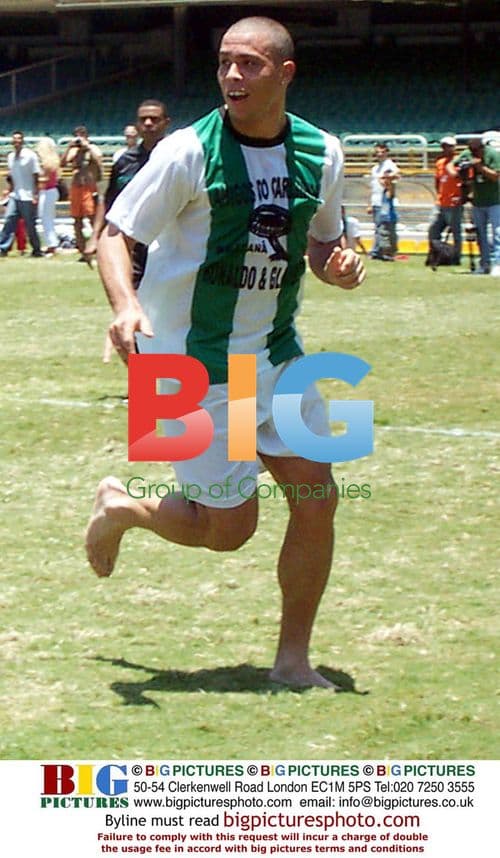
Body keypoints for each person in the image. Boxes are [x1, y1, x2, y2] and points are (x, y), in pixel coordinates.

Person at [85, 16, 365, 689]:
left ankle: (292, 662)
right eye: (224, 64)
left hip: (279, 357)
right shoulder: (187, 151)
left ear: (284, 74)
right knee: (229, 528)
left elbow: (322, 242)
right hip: (187, 365)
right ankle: (123, 508)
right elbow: (114, 235)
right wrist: (126, 305)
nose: (233, 76)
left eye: (250, 64)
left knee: (318, 497)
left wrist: (338, 264)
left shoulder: (321, 153)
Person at [85, 99, 170, 361]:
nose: (148, 123)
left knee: (166, 313)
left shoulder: (178, 158)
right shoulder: (125, 162)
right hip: (131, 250)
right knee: (131, 308)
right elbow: (108, 203)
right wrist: (95, 237)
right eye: (143, 118)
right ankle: (141, 380)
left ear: (166, 123)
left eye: (154, 119)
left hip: (168, 248)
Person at [449, 135, 500, 276]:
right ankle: (484, 264)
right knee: (480, 235)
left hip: (496, 200)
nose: (474, 152)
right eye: (471, 149)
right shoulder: (468, 153)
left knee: (498, 234)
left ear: (482, 147)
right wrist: (458, 173)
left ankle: (498, 263)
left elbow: (495, 176)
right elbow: (452, 165)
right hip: (478, 201)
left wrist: (479, 167)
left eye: (476, 149)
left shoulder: (493, 155)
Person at [61, 125, 102, 262]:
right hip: (76, 187)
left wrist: (87, 147)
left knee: (92, 219)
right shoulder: (73, 151)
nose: (79, 138)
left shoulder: (93, 148)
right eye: (77, 135)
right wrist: (69, 147)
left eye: (82, 135)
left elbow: (98, 161)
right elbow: (62, 163)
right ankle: (83, 250)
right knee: (77, 221)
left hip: (89, 187)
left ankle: (99, 248)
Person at [0, 130, 42, 258]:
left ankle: (36, 249)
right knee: (9, 220)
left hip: (28, 196)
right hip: (15, 195)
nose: (16, 141)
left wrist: (35, 194)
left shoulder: (30, 156)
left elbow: (36, 175)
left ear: (22, 141)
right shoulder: (11, 157)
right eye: (14, 139)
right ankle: (3, 247)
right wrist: (9, 190)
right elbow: (12, 176)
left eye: (19, 139)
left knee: (30, 225)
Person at [428, 136, 462, 264]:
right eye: (444, 146)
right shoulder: (440, 162)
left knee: (455, 232)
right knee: (433, 229)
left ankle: (456, 257)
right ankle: (436, 255)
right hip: (441, 202)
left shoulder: (458, 161)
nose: (446, 148)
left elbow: (464, 181)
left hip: (454, 203)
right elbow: (438, 180)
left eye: (449, 146)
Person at [367, 141, 399, 259]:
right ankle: (378, 250)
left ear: (386, 152)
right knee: (378, 227)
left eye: (382, 152)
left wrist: (386, 178)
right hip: (376, 200)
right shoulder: (375, 168)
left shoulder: (389, 165)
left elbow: (396, 174)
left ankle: (384, 251)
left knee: (385, 227)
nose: (379, 154)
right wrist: (370, 203)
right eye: (377, 152)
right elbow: (372, 187)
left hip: (385, 201)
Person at [35, 136, 61, 256]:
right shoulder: (54, 160)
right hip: (51, 191)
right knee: (47, 218)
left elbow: (44, 180)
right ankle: (51, 243)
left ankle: (52, 244)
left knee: (46, 219)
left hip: (47, 191)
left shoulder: (46, 163)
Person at [375, 170, 398, 261]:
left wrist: (391, 179)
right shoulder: (384, 190)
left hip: (390, 217)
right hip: (383, 216)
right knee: (383, 236)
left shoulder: (390, 189)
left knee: (391, 236)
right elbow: (379, 179)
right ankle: (385, 254)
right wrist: (385, 177)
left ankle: (391, 254)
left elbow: (390, 193)